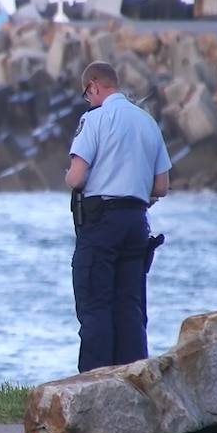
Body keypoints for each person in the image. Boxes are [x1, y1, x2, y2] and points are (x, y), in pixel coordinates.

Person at [65, 61, 171, 373]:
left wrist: (71, 174)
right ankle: (135, 383)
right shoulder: (147, 121)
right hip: (137, 222)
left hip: (101, 222)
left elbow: (76, 178)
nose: (89, 99)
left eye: (88, 94)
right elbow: (161, 186)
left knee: (96, 305)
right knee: (130, 307)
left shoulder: (94, 119)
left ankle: (96, 386)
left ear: (93, 86)